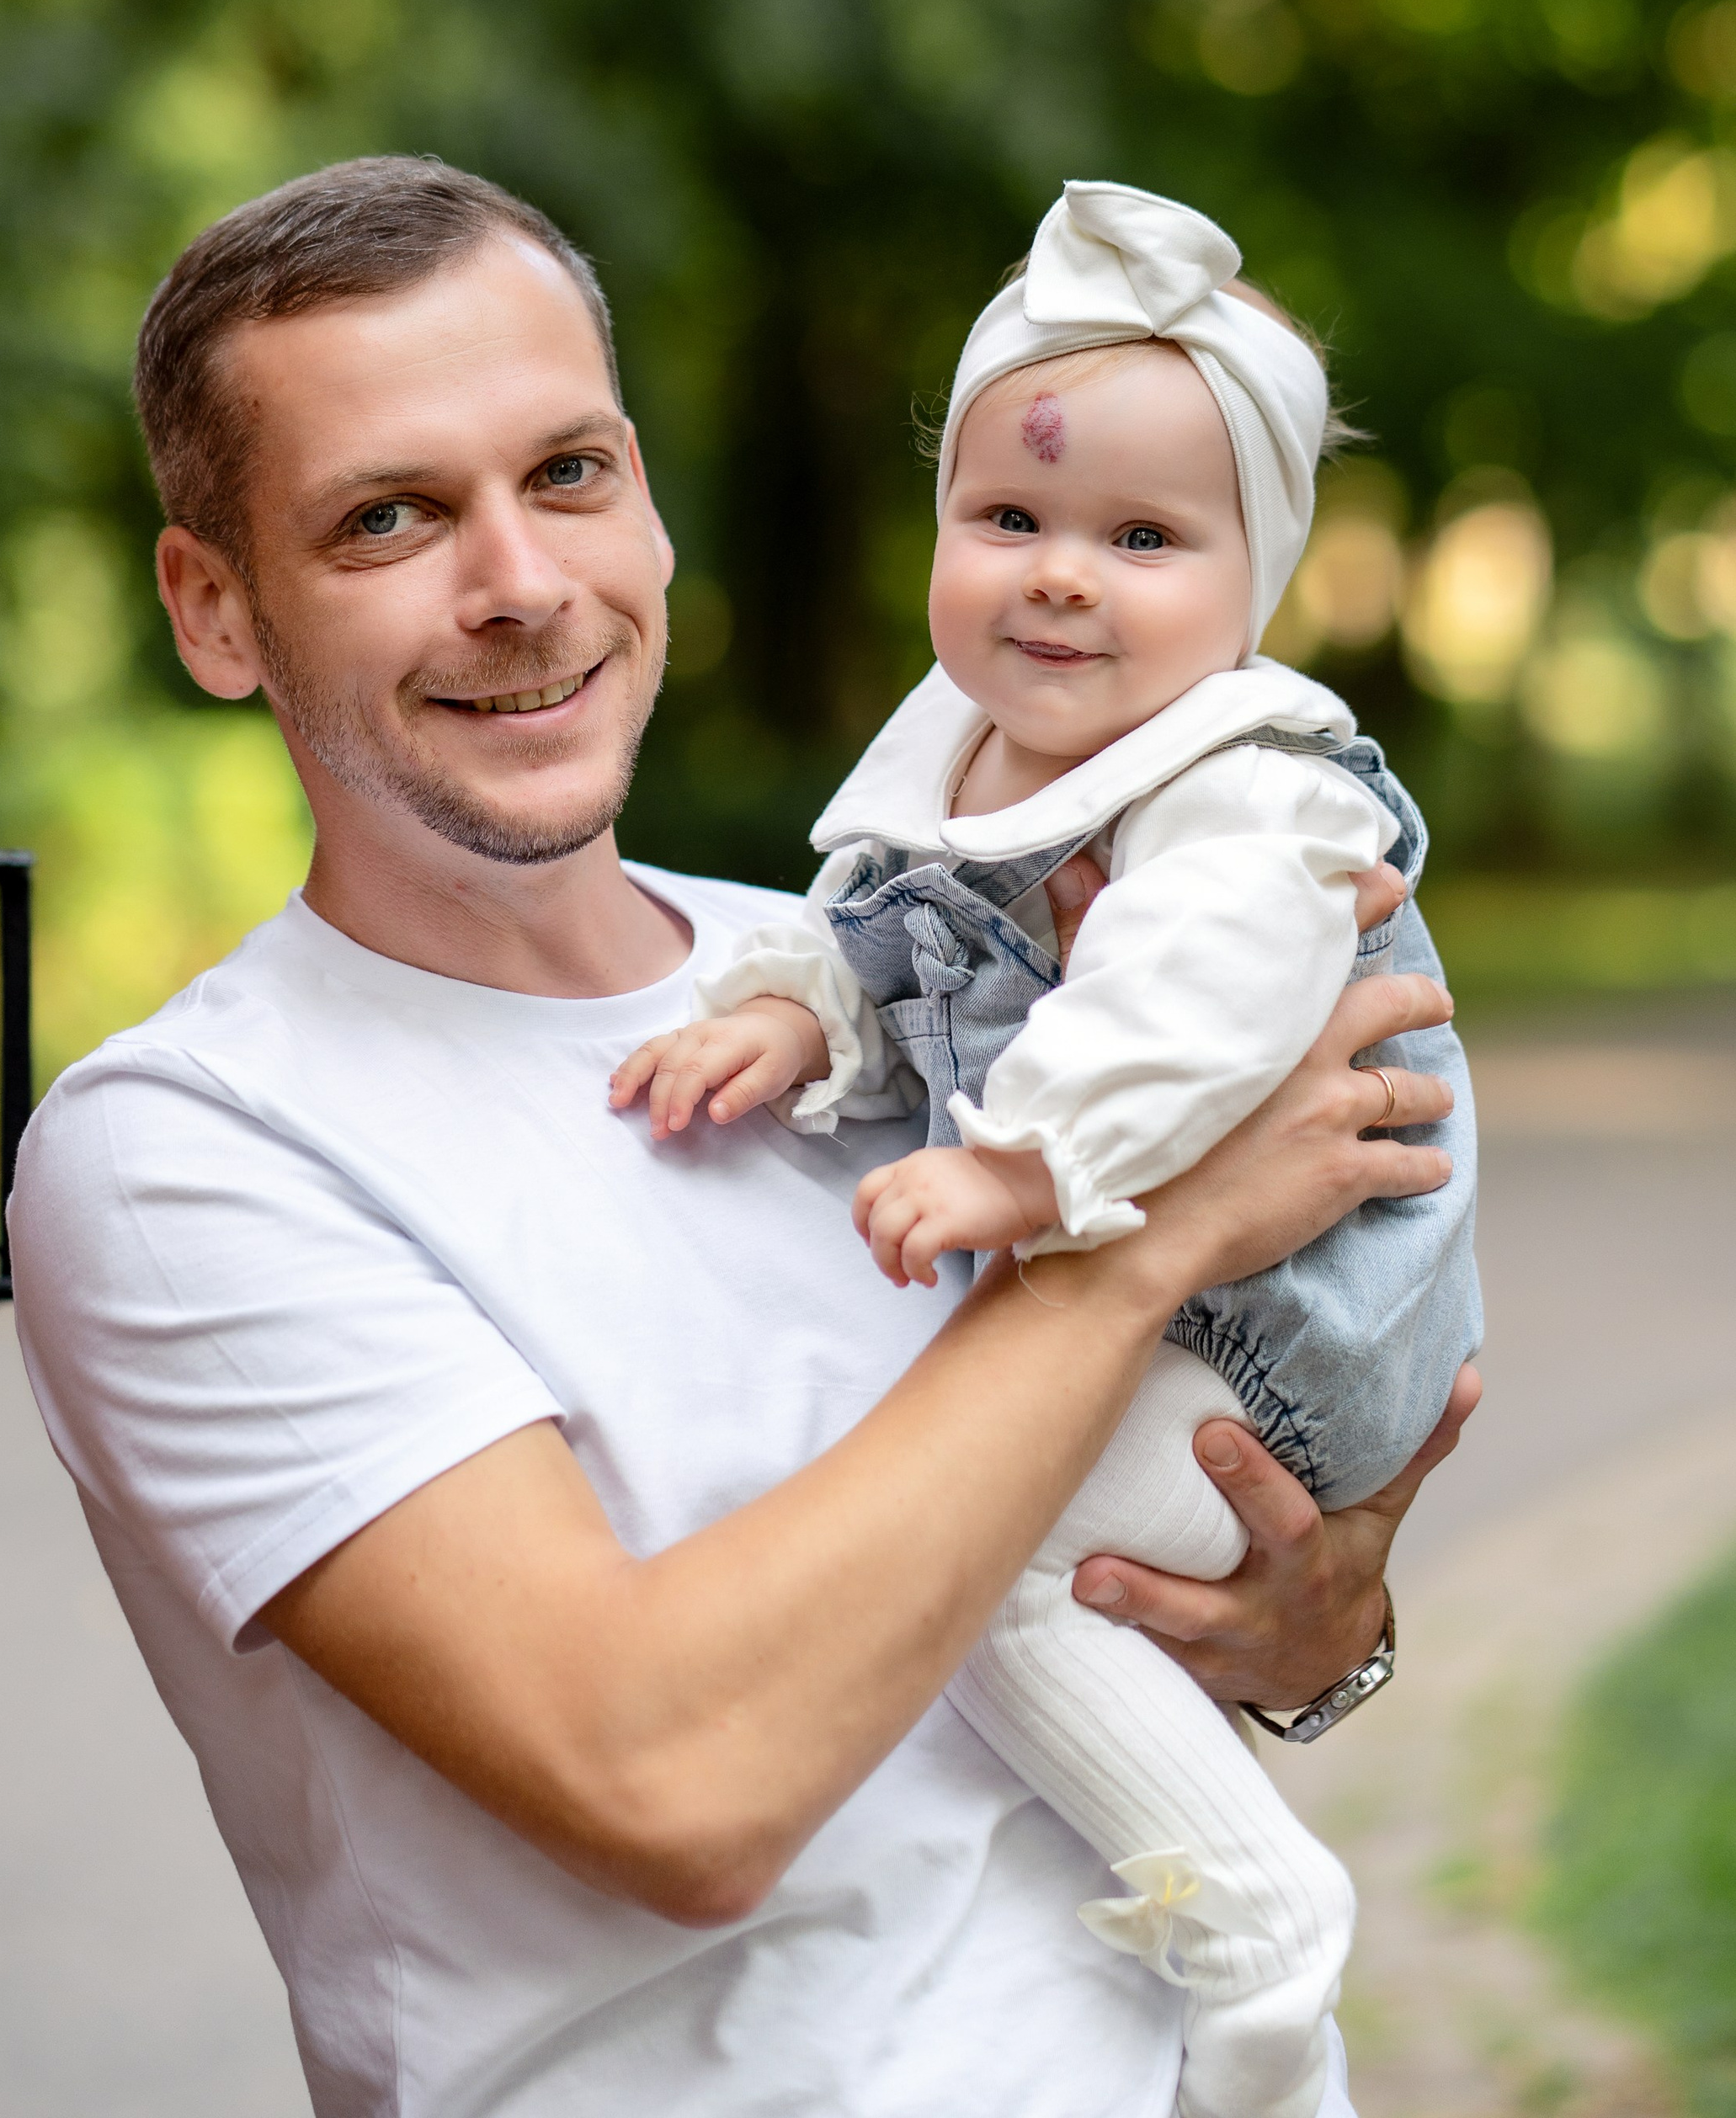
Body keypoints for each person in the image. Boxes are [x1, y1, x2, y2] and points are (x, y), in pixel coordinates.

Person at [7, 155, 1474, 2118]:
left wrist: (1304, 1631)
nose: (518, 581)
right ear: (214, 609)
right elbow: (668, 1782)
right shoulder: (189, 1153)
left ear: (653, 508)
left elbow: (1097, 1609)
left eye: (569, 472)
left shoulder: (884, 966)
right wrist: (1143, 1239)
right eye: (387, 517)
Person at [611, 179, 1482, 2118]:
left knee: (986, 1567)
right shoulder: (969, 756)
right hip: (1197, 1299)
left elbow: (1195, 992)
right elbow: (873, 933)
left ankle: (1251, 1920)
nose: (1059, 574)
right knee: (998, 1547)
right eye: (1007, 518)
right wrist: (789, 1017)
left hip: (1280, 1319)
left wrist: (1018, 1169)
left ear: (1252, 583)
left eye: (1140, 536)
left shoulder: (1239, 786)